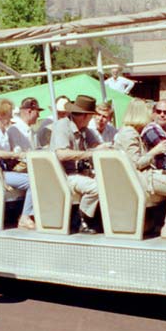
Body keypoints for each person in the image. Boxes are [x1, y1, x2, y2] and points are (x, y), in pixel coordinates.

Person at [114, 99, 166, 239]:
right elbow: (136, 164)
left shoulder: (133, 132)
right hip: (139, 180)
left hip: (141, 177)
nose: (154, 116)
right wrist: (155, 151)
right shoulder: (129, 134)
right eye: (152, 112)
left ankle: (164, 223)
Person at [47, 94, 102, 230]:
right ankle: (81, 219)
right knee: (98, 187)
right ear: (85, 116)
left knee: (110, 182)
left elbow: (95, 145)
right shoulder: (62, 126)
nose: (92, 120)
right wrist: (89, 153)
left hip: (81, 173)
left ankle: (99, 219)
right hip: (64, 175)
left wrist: (104, 148)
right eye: (92, 116)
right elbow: (61, 154)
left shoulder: (84, 128)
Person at [0, 98, 35, 229]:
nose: (11, 116)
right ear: (0, 115)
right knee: (32, 181)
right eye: (9, 113)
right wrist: (14, 155)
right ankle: (25, 216)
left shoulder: (3, 132)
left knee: (35, 175)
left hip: (3, 171)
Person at [141, 99, 166, 173]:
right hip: (156, 172)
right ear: (154, 113)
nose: (162, 115)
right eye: (158, 112)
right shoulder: (151, 130)